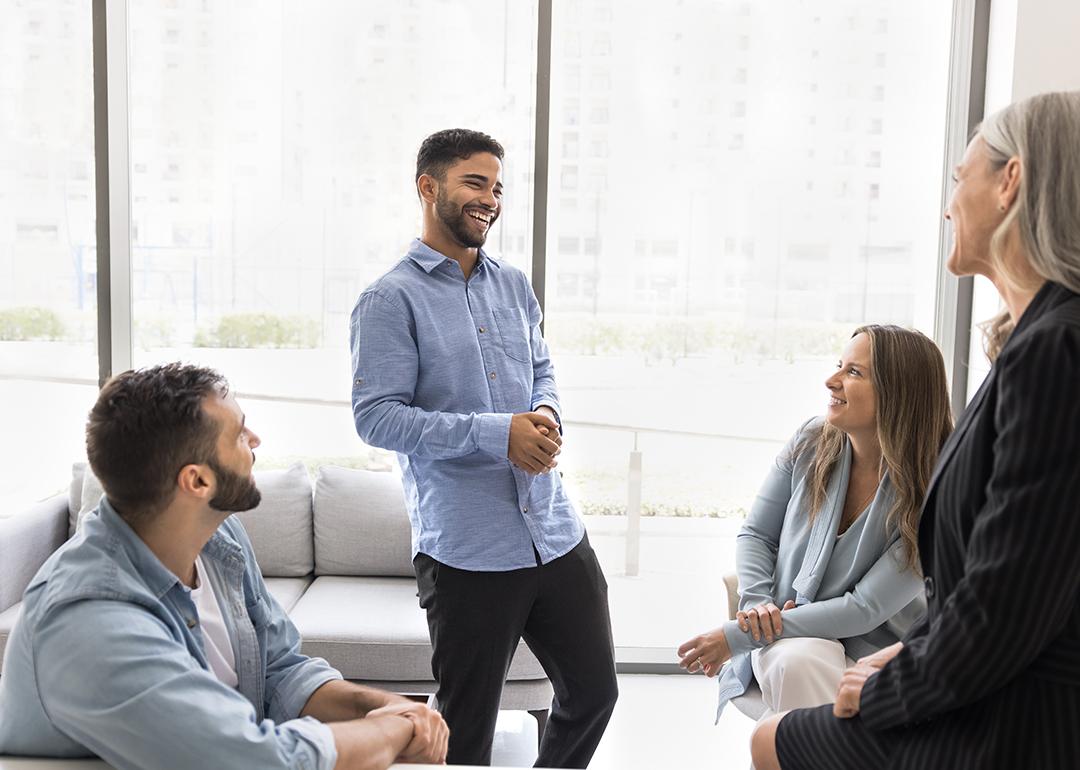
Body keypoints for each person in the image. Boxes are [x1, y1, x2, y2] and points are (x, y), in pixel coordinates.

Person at [751, 90, 1080, 770]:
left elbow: (1007, 601)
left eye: (961, 179)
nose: (949, 203)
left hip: (1020, 723)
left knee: (771, 743)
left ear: (1010, 181)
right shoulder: (1035, 341)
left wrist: (887, 690)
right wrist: (912, 650)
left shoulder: (1056, 352)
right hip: (995, 687)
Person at [0, 364, 448, 770]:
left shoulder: (217, 539)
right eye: (238, 434)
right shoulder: (91, 619)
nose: (255, 442)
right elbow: (254, 761)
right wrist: (389, 731)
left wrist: (391, 708)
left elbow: (280, 671)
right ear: (197, 480)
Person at [350, 128, 617, 768]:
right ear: (428, 187)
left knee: (594, 692)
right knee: (466, 731)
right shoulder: (389, 299)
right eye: (475, 183)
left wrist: (546, 413)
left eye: (497, 187)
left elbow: (542, 369)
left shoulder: (514, 285)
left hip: (552, 530)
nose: (490, 199)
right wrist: (498, 433)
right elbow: (377, 418)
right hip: (467, 549)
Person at [677, 325, 952, 723]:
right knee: (800, 658)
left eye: (853, 372)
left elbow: (865, 608)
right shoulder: (811, 441)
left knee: (803, 664)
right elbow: (756, 534)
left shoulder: (934, 490)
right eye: (839, 365)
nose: (831, 380)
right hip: (785, 632)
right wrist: (757, 609)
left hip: (879, 650)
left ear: (899, 394)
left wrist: (736, 636)